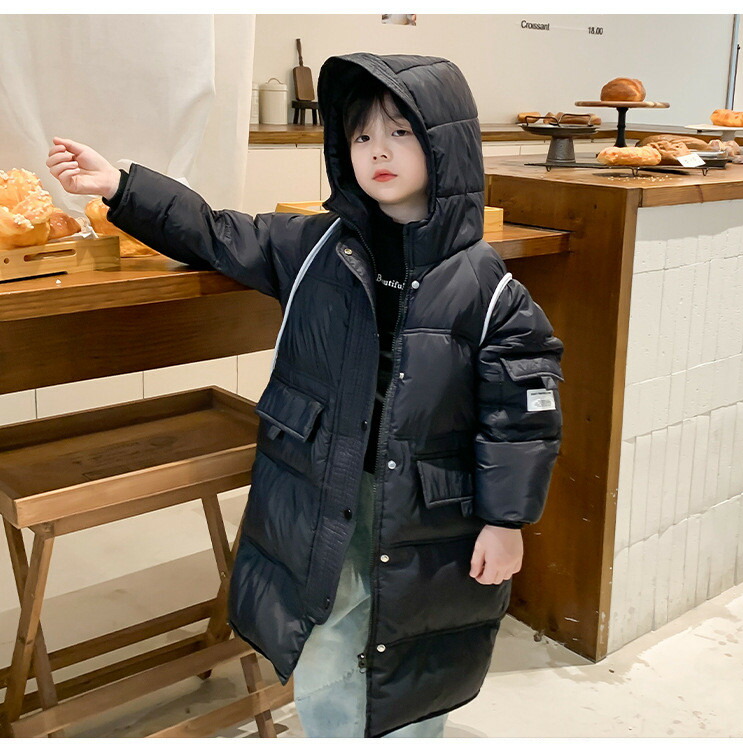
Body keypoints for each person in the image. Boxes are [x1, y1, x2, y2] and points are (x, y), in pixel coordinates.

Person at [46, 52, 563, 738]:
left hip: (431, 512)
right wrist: (121, 185)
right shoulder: (314, 247)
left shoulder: (491, 291)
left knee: (416, 647)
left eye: (400, 132)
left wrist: (505, 520)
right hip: (324, 488)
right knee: (324, 632)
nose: (378, 150)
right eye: (361, 135)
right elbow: (215, 232)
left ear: (446, 146)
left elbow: (521, 421)